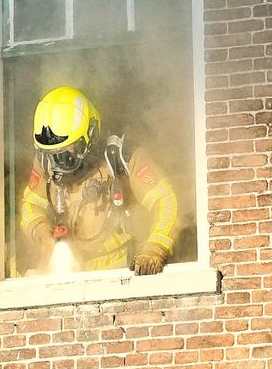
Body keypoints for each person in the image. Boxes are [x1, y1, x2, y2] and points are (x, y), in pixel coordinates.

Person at [18, 86, 179, 276]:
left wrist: (155, 247)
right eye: (53, 154)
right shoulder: (46, 162)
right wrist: (42, 235)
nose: (59, 162)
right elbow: (31, 205)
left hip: (120, 270)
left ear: (91, 134)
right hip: (69, 271)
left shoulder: (121, 156)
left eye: (67, 151)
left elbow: (165, 200)